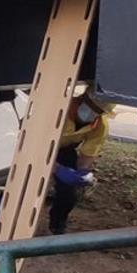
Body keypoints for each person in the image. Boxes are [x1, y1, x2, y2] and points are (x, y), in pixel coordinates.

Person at [49, 87, 115, 234]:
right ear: (81, 99)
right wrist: (56, 168)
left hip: (65, 150)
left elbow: (87, 155)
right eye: (90, 107)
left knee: (68, 193)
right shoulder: (57, 110)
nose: (92, 113)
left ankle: (57, 224)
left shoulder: (100, 126)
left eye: (98, 111)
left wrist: (83, 173)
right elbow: (37, 147)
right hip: (39, 146)